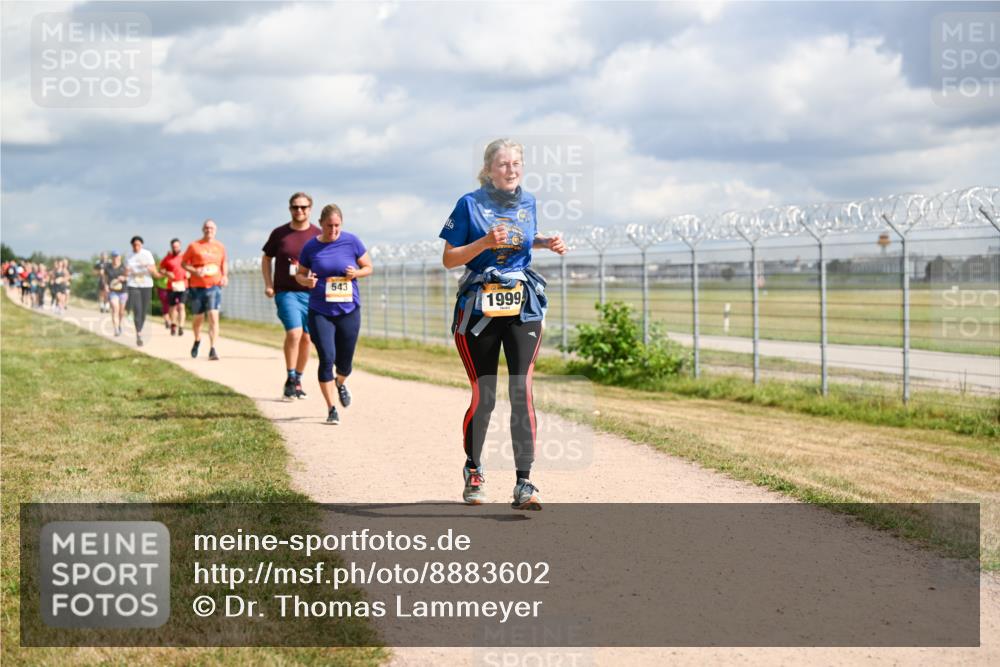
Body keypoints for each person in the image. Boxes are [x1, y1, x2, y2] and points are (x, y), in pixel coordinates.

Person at [440, 138, 567, 510]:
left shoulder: (528, 202)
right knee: (486, 396)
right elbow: (449, 258)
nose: (510, 170)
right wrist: (482, 241)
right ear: (488, 170)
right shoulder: (469, 204)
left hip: (522, 305)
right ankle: (474, 468)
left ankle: (524, 482)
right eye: (502, 165)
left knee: (521, 391)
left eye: (515, 164)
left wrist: (547, 241)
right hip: (479, 309)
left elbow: (522, 242)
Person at [295, 204, 372, 425]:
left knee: (345, 363)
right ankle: (331, 408)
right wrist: (305, 280)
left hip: (349, 310)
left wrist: (355, 273)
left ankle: (340, 382)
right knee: (326, 358)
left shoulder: (352, 241)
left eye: (337, 225)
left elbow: (369, 267)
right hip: (320, 311)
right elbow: (300, 274)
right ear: (321, 224)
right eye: (329, 226)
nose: (334, 230)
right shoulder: (311, 247)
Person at [262, 192, 321, 400]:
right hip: (286, 292)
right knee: (294, 333)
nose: (299, 211)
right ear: (290, 209)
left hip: (312, 294)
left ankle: (297, 379)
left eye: (304, 207)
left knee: (307, 338)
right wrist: (269, 284)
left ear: (310, 209)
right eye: (295, 207)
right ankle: (290, 375)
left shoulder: (318, 234)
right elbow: (266, 259)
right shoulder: (280, 233)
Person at [182, 219, 227, 360]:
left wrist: (225, 276)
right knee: (198, 319)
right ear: (203, 229)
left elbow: (224, 262)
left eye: (212, 228)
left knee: (214, 316)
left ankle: (213, 349)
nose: (209, 230)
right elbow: (184, 263)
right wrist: (195, 271)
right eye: (207, 228)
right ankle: (197, 339)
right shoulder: (194, 246)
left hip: (214, 286)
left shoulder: (220, 246)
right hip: (197, 287)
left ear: (215, 230)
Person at [125, 235, 162, 347]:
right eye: (135, 245)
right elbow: (126, 272)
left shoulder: (147, 254)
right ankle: (139, 334)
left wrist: (147, 267)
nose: (137, 247)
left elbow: (154, 270)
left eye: (139, 245)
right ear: (132, 245)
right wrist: (129, 271)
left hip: (146, 284)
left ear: (142, 245)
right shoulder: (128, 256)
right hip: (134, 284)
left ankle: (140, 327)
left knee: (144, 310)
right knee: (138, 308)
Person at [160, 238, 187, 336]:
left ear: (180, 246)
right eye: (173, 247)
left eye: (177, 247)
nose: (175, 248)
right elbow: (161, 270)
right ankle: (173, 324)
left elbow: (191, 267)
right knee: (172, 307)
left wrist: (189, 274)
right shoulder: (167, 258)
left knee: (181, 306)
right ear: (171, 247)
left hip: (183, 285)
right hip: (171, 286)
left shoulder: (185, 257)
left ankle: (181, 327)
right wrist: (167, 273)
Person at [105, 252, 128, 336]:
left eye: (117, 256)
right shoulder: (108, 268)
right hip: (113, 291)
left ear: (120, 257)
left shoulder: (124, 267)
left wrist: (124, 278)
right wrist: (106, 286)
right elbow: (105, 279)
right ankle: (116, 329)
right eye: (114, 257)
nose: (115, 258)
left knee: (121, 312)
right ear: (112, 257)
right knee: (115, 309)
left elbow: (129, 277)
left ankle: (119, 325)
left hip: (123, 291)